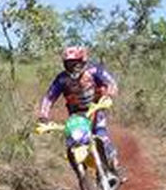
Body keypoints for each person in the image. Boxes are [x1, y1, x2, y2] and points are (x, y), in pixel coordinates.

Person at [37, 46, 126, 182]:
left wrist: (109, 94)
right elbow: (49, 97)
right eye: (69, 64)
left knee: (101, 135)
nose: (72, 67)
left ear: (83, 61)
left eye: (75, 63)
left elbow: (111, 82)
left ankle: (115, 166)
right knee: (74, 143)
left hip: (95, 109)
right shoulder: (62, 79)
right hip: (76, 115)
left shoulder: (94, 70)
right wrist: (43, 116)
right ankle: (82, 179)